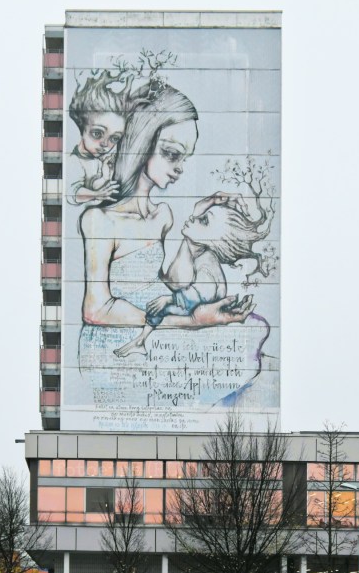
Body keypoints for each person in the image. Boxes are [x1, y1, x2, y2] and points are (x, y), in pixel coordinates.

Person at [78, 82, 254, 337]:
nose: (181, 167)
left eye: (185, 158)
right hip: (112, 343)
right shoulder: (100, 219)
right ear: (141, 143)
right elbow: (96, 311)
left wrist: (196, 224)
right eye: (172, 154)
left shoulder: (163, 215)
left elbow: (174, 282)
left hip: (153, 335)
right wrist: (192, 321)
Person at [112, 192, 265, 358]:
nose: (194, 218)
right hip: (188, 299)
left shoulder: (207, 264)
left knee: (158, 308)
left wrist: (169, 299)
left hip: (195, 305)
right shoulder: (198, 244)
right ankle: (140, 341)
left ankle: (141, 341)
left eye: (204, 220)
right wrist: (210, 201)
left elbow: (199, 294)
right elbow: (198, 220)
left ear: (214, 240)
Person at [66, 69, 132, 206]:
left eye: (114, 138)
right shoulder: (75, 161)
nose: (105, 144)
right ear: (82, 127)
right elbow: (72, 194)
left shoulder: (107, 159)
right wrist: (97, 194)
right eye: (97, 134)